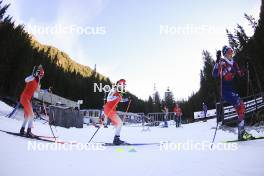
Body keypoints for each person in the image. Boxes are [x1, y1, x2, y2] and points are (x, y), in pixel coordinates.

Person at [213, 46, 253, 140]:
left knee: (241, 109)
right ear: (225, 53)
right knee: (241, 106)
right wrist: (217, 61)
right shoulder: (222, 61)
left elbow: (240, 73)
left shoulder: (234, 63)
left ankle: (241, 133)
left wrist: (246, 66)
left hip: (232, 90)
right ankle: (241, 133)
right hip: (225, 91)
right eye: (229, 52)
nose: (231, 54)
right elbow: (215, 74)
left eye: (232, 52)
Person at [19, 65, 44, 137]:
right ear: (39, 74)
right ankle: (29, 131)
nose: (41, 77)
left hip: (27, 99)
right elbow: (26, 80)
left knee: (27, 116)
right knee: (32, 115)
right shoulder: (32, 78)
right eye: (41, 75)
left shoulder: (37, 81)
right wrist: (32, 76)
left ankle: (22, 130)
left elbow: (37, 91)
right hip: (24, 97)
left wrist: (45, 90)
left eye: (42, 75)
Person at [103, 79, 129, 145]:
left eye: (124, 85)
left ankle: (116, 139)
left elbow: (119, 99)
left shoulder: (118, 91)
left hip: (111, 109)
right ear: (120, 84)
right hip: (109, 108)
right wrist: (117, 97)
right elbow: (109, 98)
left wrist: (125, 99)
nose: (124, 87)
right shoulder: (114, 90)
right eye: (123, 85)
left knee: (119, 123)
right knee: (119, 123)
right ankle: (116, 140)